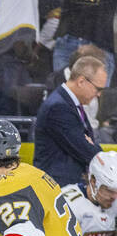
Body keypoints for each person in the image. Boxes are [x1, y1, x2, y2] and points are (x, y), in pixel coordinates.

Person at [33, 56, 107, 187]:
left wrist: (90, 144)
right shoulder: (58, 107)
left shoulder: (68, 103)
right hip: (56, 188)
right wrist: (90, 146)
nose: (99, 94)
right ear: (81, 81)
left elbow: (89, 145)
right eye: (98, 89)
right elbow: (87, 151)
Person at [60, 150, 117, 236]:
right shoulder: (67, 204)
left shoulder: (112, 199)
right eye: (109, 190)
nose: (115, 197)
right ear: (93, 181)